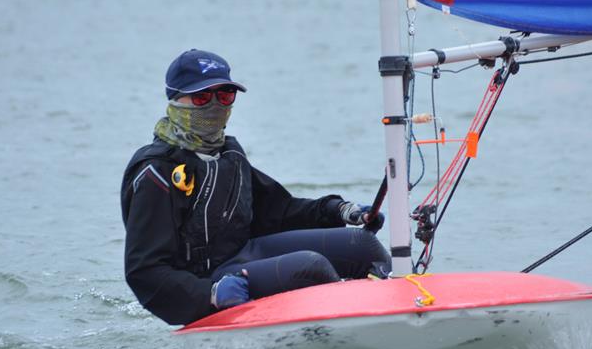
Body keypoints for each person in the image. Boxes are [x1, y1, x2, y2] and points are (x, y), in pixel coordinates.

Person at [121, 49, 391, 326]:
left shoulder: (229, 156)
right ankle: (347, 330)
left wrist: (338, 210)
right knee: (311, 267)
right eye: (202, 97)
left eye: (225, 95)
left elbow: (279, 212)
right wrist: (209, 294)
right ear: (175, 101)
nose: (215, 105)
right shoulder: (156, 172)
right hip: (211, 282)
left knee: (364, 245)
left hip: (245, 254)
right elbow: (145, 271)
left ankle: (395, 312)